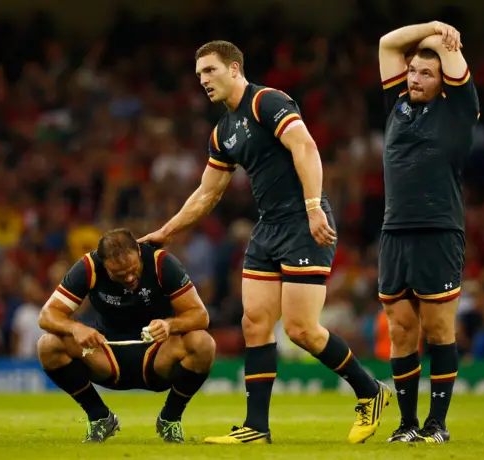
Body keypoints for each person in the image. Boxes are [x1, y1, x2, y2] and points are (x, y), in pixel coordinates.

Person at [139, 40, 390, 445]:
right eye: (199, 73)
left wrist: (313, 207)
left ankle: (370, 392)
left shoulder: (266, 102)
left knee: (301, 329)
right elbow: (207, 193)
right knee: (253, 323)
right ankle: (256, 427)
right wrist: (168, 230)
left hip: (303, 223)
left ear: (235, 68)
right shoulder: (223, 132)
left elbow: (305, 146)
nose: (203, 80)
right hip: (268, 227)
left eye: (211, 70)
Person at [377, 22, 479, 443]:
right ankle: (407, 425)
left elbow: (447, 55)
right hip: (394, 230)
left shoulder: (458, 109)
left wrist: (443, 39)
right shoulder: (397, 103)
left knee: (439, 330)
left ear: (444, 83)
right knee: (400, 329)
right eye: (413, 71)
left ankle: (437, 424)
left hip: (439, 229)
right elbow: (387, 43)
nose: (415, 79)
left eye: (426, 74)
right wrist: (434, 28)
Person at [37, 228, 215, 444]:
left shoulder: (162, 263)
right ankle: (99, 416)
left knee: (203, 343)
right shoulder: (89, 267)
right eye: (119, 275)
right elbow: (47, 315)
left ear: (139, 252)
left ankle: (170, 417)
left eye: (134, 270)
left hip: (158, 354)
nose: (130, 278)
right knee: (48, 345)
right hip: (107, 354)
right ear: (103, 264)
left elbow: (200, 316)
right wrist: (76, 328)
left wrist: (170, 325)